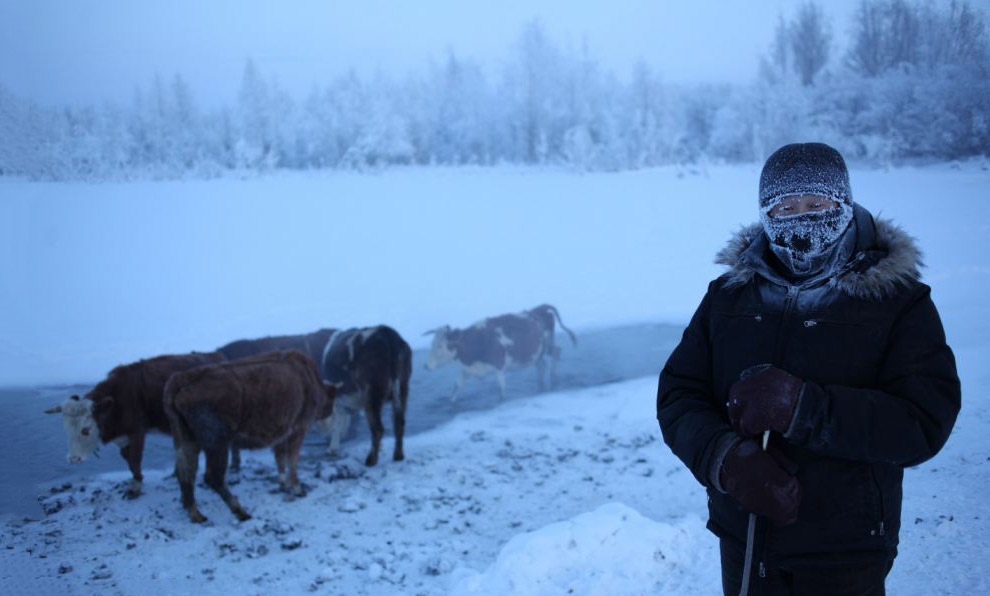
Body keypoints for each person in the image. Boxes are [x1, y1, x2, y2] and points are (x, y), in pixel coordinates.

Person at [656, 142, 960, 595]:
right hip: (744, 538)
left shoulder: (898, 301)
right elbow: (679, 394)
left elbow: (923, 422)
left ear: (844, 203)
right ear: (765, 213)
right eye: (786, 207)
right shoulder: (729, 297)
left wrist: (805, 409)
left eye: (817, 204)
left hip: (845, 548)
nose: (803, 219)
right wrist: (724, 458)